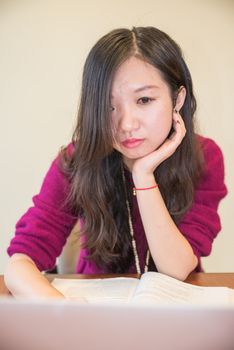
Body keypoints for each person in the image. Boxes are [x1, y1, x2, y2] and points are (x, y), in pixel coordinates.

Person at [5, 26, 227, 298]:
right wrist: (66, 312)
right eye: (109, 106)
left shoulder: (204, 156)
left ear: (177, 99)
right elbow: (20, 263)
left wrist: (144, 176)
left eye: (144, 100)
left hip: (174, 309)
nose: (126, 124)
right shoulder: (77, 160)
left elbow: (176, 269)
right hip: (95, 307)